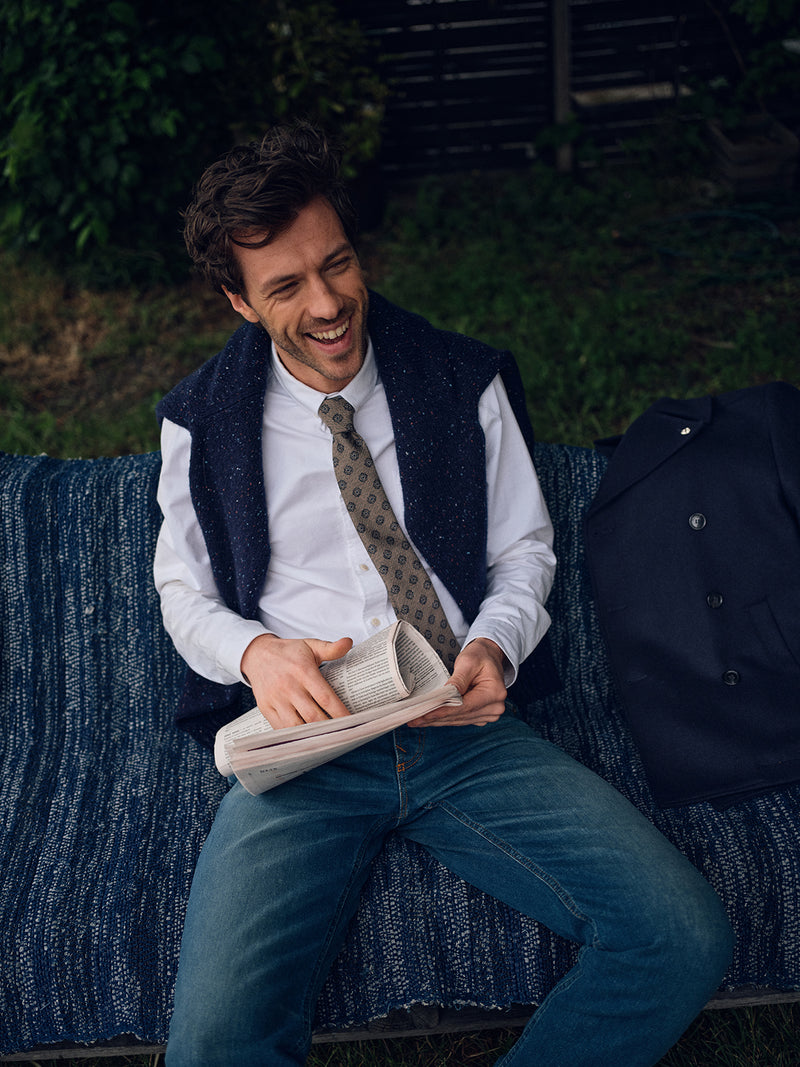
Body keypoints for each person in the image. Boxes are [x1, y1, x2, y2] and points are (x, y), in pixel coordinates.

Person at [154, 122, 733, 1066]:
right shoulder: (201, 420)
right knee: (213, 1043)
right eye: (287, 286)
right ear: (238, 301)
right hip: (311, 743)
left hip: (463, 726)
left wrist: (495, 645)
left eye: (337, 263)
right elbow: (182, 591)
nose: (331, 302)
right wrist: (259, 656)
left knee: (681, 934)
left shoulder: (462, 377)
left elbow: (525, 549)